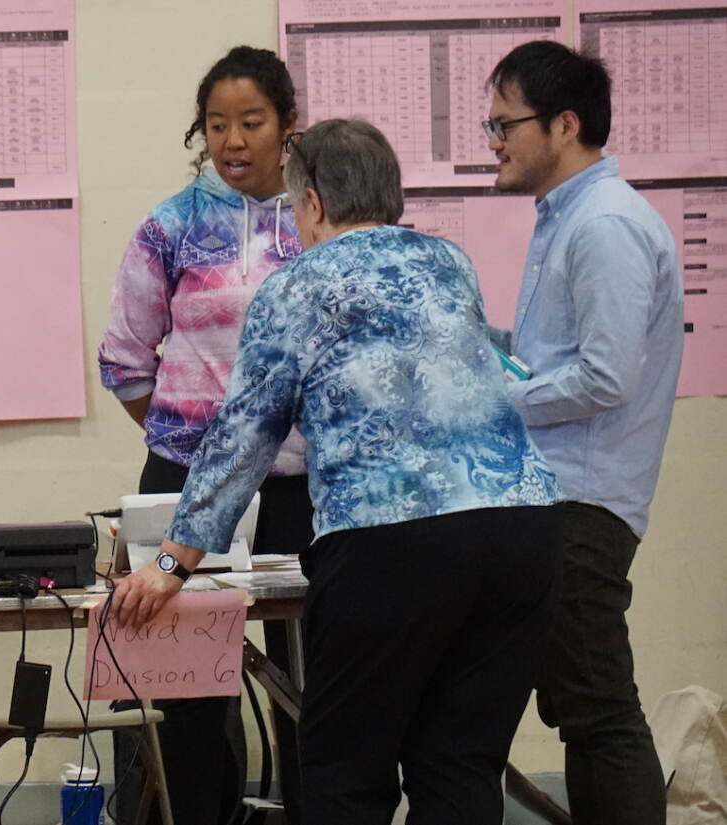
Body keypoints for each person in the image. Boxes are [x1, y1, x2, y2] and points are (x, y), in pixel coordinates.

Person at [109, 119, 563, 825]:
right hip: (522, 529)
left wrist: (171, 558)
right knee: (459, 764)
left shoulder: (297, 285)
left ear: (313, 204)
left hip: (393, 540)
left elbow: (244, 434)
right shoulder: (450, 263)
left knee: (345, 773)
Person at [97, 45, 311, 825]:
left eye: (251, 121)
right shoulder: (173, 224)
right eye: (217, 124)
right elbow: (124, 358)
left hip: (303, 486)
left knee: (310, 684)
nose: (233, 140)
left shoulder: (322, 217)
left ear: (289, 124)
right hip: (185, 484)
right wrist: (187, 431)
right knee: (189, 695)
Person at [485, 40, 684, 825]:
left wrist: (496, 397)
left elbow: (605, 378)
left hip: (584, 504)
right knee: (582, 708)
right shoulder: (565, 217)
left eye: (505, 125)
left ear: (564, 124)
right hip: (556, 497)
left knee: (599, 710)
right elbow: (552, 364)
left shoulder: (604, 224)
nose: (494, 142)